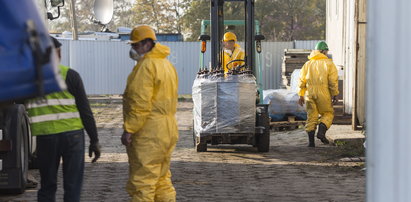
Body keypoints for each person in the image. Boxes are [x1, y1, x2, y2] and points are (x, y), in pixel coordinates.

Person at [26, 37, 101, 202]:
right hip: (73, 136)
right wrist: (94, 140)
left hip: (46, 138)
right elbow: (85, 111)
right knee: (73, 187)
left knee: (47, 186)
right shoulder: (70, 75)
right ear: (57, 54)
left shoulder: (30, 80)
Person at [121, 25, 179, 202]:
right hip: (167, 130)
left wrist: (129, 129)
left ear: (147, 44)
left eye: (136, 45)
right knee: (162, 179)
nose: (133, 49)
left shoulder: (146, 67)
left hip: (149, 132)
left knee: (143, 182)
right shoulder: (166, 64)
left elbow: (140, 103)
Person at [298, 41, 339, 147]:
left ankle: (311, 143)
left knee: (312, 116)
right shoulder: (329, 64)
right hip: (323, 93)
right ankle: (321, 132)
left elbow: (301, 81)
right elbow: (332, 81)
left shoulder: (307, 64)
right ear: (324, 51)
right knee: (327, 113)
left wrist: (301, 95)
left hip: (309, 94)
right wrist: (335, 94)